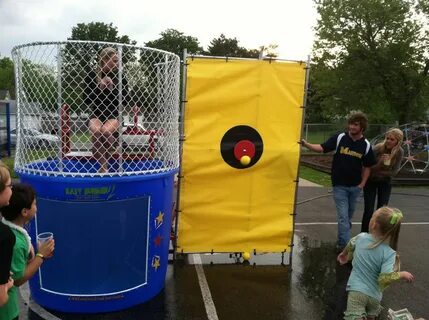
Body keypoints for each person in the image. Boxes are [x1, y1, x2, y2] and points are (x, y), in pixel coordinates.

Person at [301, 112, 376, 250]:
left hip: (355, 188)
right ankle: (344, 247)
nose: (351, 127)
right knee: (343, 217)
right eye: (351, 124)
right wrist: (306, 144)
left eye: (355, 125)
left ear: (362, 128)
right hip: (339, 186)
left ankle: (342, 240)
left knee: (347, 218)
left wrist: (362, 184)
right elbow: (322, 148)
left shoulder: (365, 145)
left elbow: (367, 167)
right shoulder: (340, 138)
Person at [337, 207, 414, 320]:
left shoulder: (361, 237)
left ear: (373, 224)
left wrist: (344, 255)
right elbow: (385, 278)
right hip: (375, 296)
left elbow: (350, 244)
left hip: (357, 292)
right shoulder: (389, 253)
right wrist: (401, 274)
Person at [0, 183, 55, 320]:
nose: (36, 208)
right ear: (25, 212)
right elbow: (18, 280)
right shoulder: (16, 242)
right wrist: (40, 255)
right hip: (7, 311)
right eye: (35, 204)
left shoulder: (7, 226)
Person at [84, 47, 129, 173]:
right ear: (104, 60)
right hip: (97, 113)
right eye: (114, 61)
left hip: (113, 113)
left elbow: (126, 100)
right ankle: (104, 167)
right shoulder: (92, 75)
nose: (117, 64)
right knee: (96, 131)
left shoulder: (120, 77)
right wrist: (100, 87)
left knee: (105, 131)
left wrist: (112, 89)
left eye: (118, 61)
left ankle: (109, 146)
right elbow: (86, 99)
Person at [361, 128, 404, 232]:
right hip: (371, 180)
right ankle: (363, 233)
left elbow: (394, 172)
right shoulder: (378, 148)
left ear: (398, 141)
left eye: (392, 139)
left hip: (385, 182)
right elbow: (367, 167)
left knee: (382, 210)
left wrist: (381, 172)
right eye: (387, 138)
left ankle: (378, 234)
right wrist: (379, 163)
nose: (388, 141)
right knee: (369, 209)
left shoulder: (399, 152)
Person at [0, 164, 14, 307]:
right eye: (10, 186)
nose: (12, 189)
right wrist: (7, 285)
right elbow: (1, 298)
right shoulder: (5, 236)